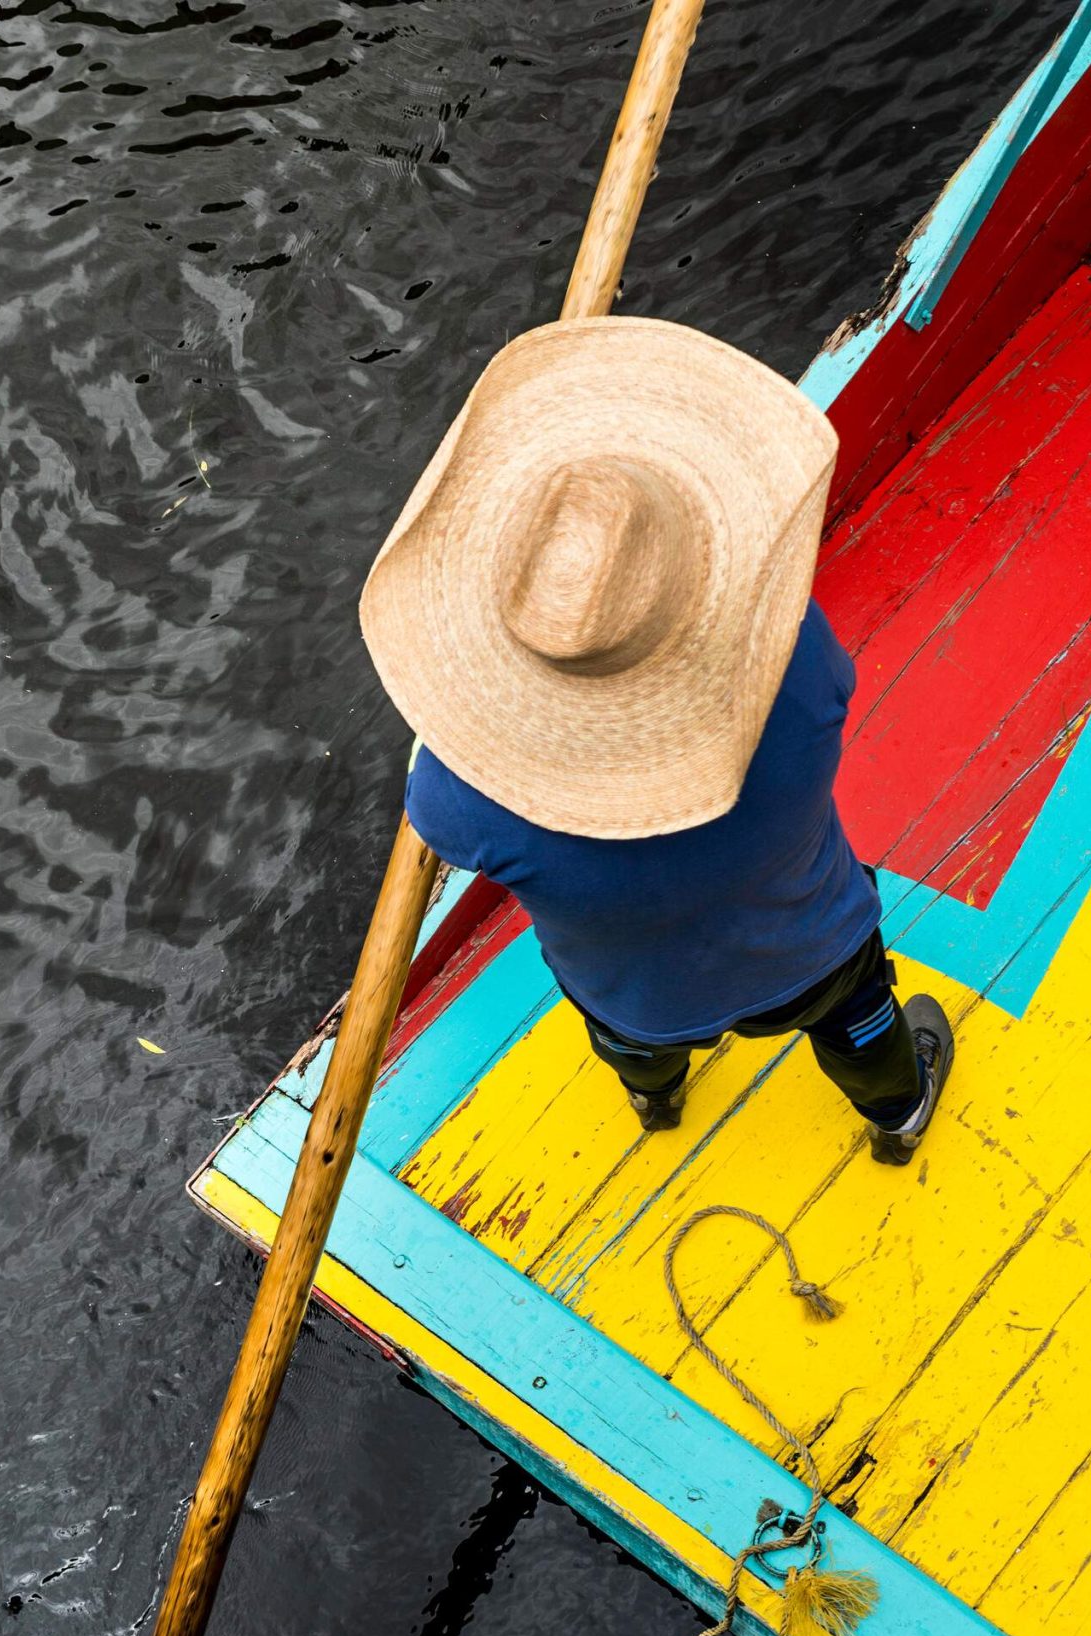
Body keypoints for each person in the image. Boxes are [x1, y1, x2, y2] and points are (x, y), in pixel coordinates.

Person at [358, 316, 952, 1163]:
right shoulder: (797, 667)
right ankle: (898, 1111)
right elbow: (829, 689)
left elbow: (440, 825)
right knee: (861, 1021)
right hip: (806, 950)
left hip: (634, 997)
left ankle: (656, 1096)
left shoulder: (457, 792)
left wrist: (457, 729)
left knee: (635, 1044)